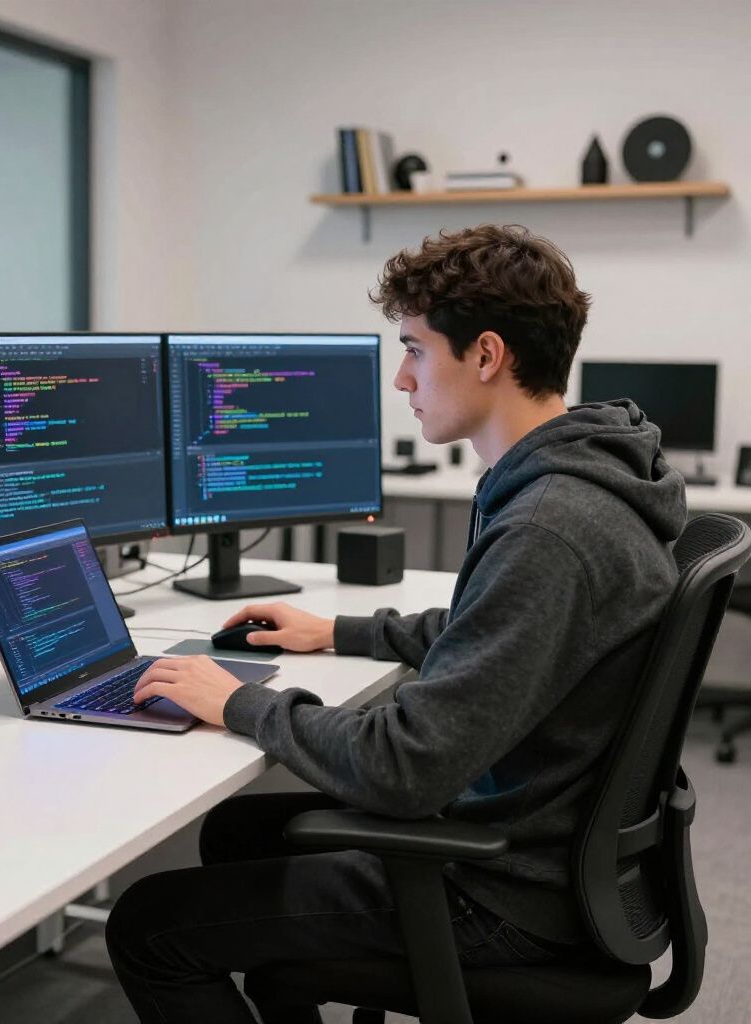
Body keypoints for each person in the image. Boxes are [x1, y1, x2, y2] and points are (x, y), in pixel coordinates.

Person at [105, 224, 687, 1023]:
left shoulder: (549, 527)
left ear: (486, 356)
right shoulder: (584, 479)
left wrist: (236, 701)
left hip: (508, 891)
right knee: (241, 831)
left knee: (147, 925)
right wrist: (341, 633)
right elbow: (498, 631)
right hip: (554, 847)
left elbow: (405, 768)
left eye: (414, 348)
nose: (401, 379)